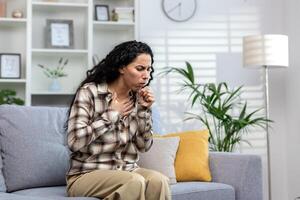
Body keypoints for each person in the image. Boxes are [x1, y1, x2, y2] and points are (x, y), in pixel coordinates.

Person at [66, 40, 171, 200]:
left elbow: (144, 146)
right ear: (122, 67)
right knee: (134, 181)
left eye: (149, 70)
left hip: (126, 169)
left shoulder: (138, 99)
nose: (146, 76)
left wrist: (144, 110)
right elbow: (74, 142)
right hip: (87, 173)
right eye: (140, 69)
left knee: (160, 181)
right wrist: (111, 114)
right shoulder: (90, 93)